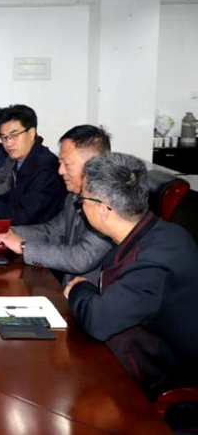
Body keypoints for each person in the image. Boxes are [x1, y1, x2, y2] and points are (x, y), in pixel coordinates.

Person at [64, 153, 198, 399]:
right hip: (135, 350)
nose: (80, 206)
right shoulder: (153, 232)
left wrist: (78, 289)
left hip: (162, 382)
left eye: (82, 199)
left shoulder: (156, 258)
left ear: (103, 210)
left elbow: (99, 320)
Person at [0, 125, 113, 284]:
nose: (60, 171)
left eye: (67, 164)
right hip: (67, 290)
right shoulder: (73, 196)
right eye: (60, 163)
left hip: (91, 295)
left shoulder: (109, 205)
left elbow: (82, 257)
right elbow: (53, 230)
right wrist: (11, 232)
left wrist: (23, 247)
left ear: (92, 165)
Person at [0, 104, 66, 225]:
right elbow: (11, 198)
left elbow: (24, 216)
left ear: (31, 133)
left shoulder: (44, 167)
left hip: (38, 232)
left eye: (14, 135)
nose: (8, 143)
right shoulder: (23, 158)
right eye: (4, 137)